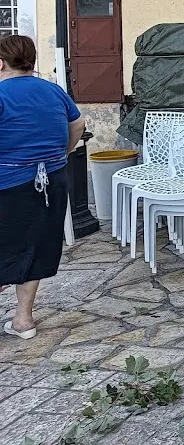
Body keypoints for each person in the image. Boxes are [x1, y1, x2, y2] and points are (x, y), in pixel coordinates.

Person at [0, 35, 85, 339]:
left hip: (9, 184)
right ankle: (23, 320)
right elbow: (77, 125)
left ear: (1, 62)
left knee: (7, 247)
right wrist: (63, 153)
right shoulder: (53, 90)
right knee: (36, 246)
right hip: (53, 180)